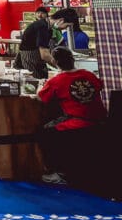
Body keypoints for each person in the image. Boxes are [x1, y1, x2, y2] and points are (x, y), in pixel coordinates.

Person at [37, 46, 107, 185]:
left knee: (44, 132)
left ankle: (59, 172)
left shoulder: (56, 80)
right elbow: (99, 86)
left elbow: (41, 98)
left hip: (77, 122)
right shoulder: (89, 75)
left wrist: (40, 85)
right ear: (72, 59)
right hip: (101, 120)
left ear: (55, 62)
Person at [17, 7, 54, 78]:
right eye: (38, 13)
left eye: (42, 13)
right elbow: (44, 53)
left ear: (47, 15)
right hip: (30, 54)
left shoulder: (45, 25)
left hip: (38, 54)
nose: (40, 15)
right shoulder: (40, 25)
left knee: (37, 75)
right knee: (33, 76)